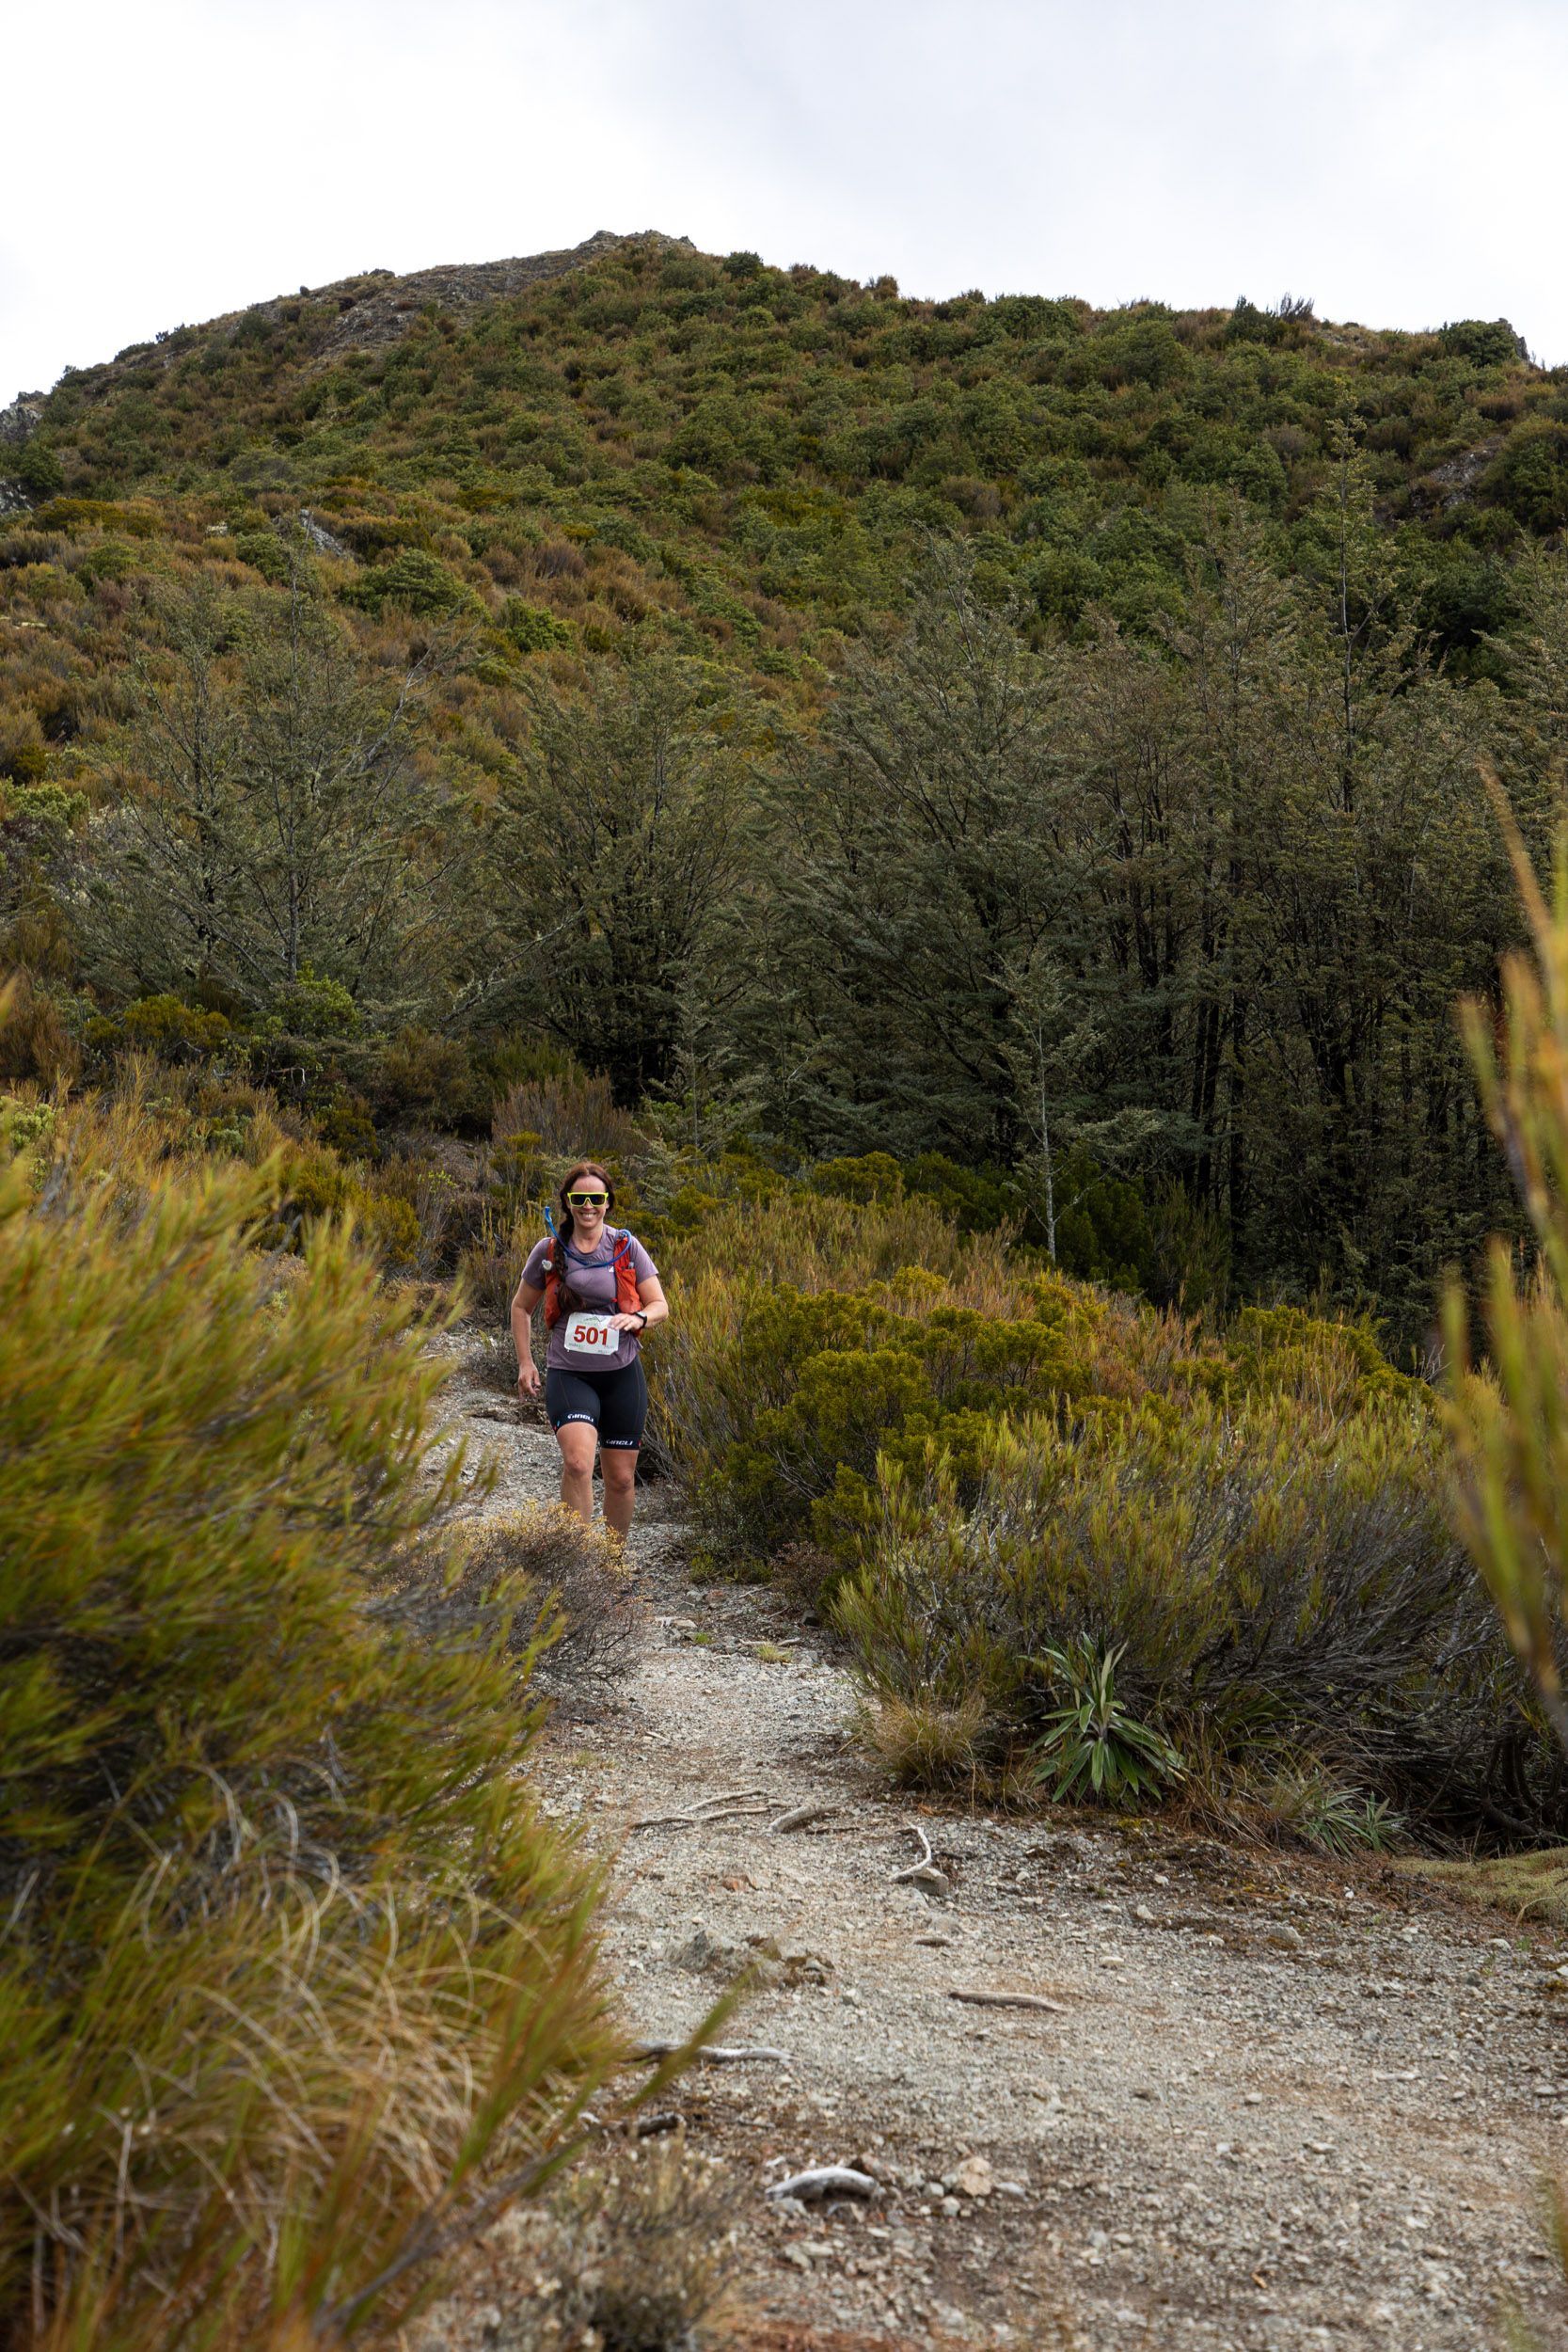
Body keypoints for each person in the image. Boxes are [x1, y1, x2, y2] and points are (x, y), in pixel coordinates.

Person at [511, 1160, 668, 1536]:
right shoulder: (549, 1249)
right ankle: (577, 1560)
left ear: (608, 1202)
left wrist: (640, 1319)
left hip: (622, 1375)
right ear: (567, 1202)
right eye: (579, 1197)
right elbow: (521, 1307)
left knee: (621, 1479)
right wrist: (525, 1363)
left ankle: (611, 1565)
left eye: (595, 1198)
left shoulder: (626, 1247)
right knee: (579, 1464)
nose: (587, 1205)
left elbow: (660, 1305)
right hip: (570, 1373)